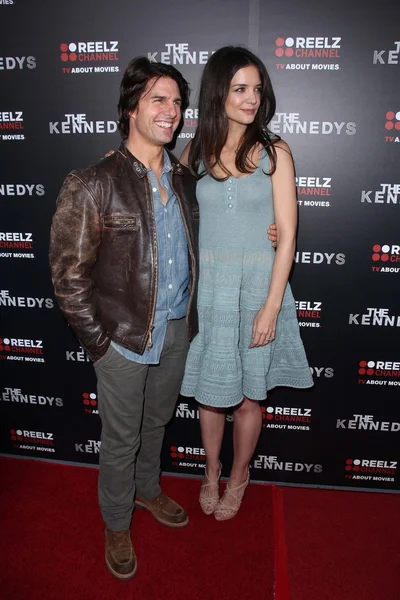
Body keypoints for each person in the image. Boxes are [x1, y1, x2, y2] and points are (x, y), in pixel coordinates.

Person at [49, 56, 278, 580]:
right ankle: (115, 521)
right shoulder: (93, 182)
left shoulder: (184, 178)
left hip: (177, 329)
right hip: (124, 339)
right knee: (121, 438)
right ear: (131, 107)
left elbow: (226, 222)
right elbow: (68, 277)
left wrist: (267, 233)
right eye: (158, 99)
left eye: (177, 102)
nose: (171, 111)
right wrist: (102, 345)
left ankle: (147, 490)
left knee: (157, 423)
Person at [180, 46, 313, 521]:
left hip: (259, 287)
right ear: (218, 93)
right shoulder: (193, 152)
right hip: (212, 290)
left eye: (257, 89)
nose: (251, 98)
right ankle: (211, 472)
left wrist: (271, 306)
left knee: (250, 397)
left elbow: (289, 233)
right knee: (212, 396)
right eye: (240, 89)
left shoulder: (276, 151)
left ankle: (239, 477)